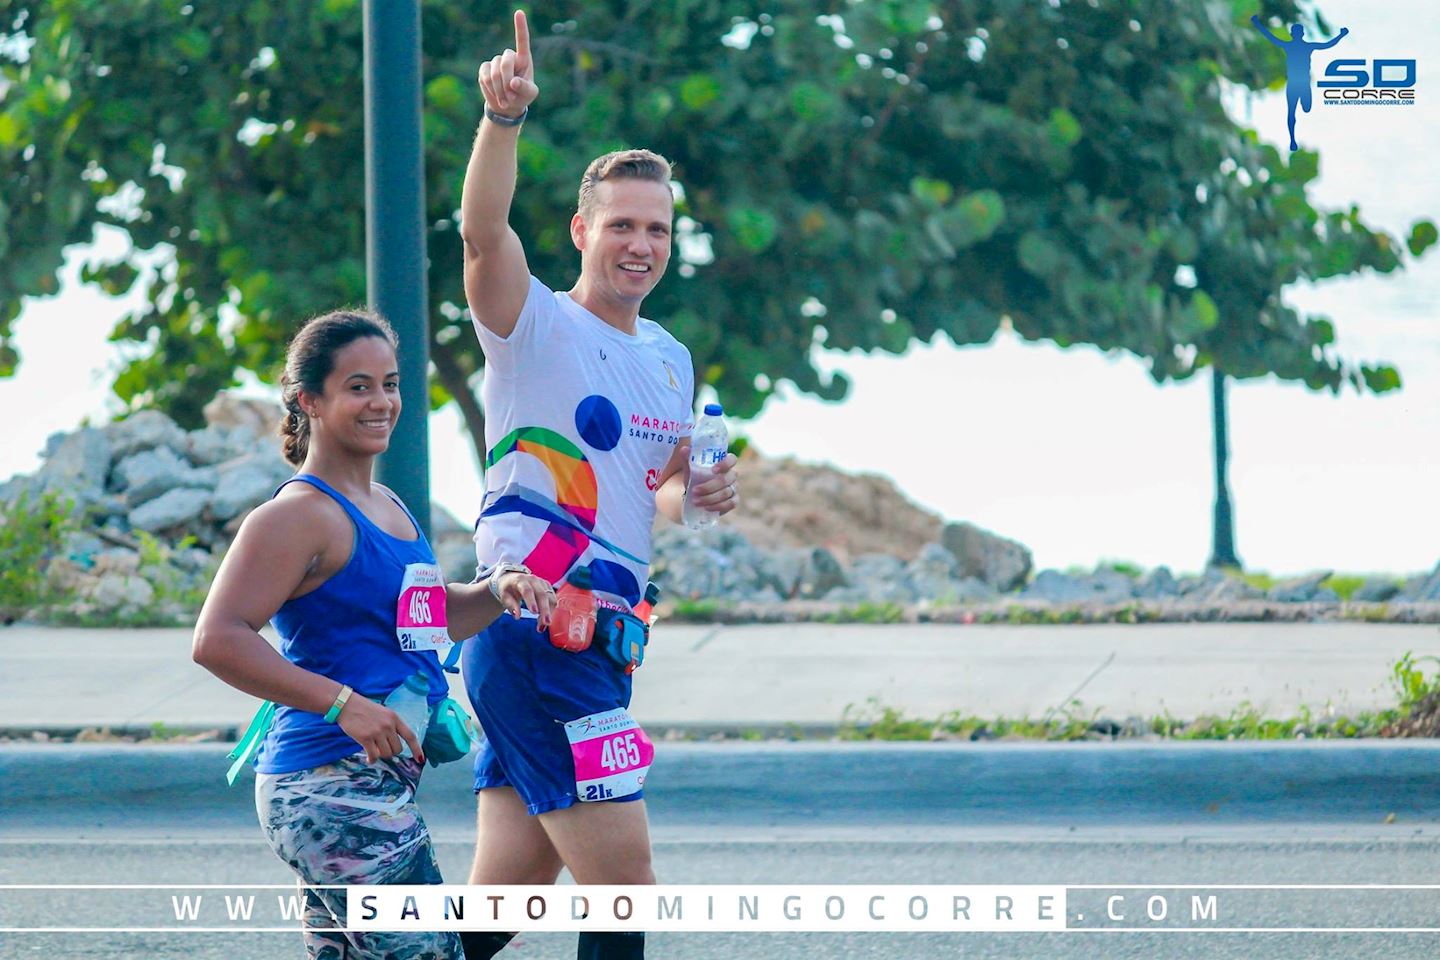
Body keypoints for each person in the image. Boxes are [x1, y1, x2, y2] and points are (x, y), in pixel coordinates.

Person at [455, 10, 740, 959]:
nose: (641, 244)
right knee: (625, 890)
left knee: (504, 907)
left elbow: (653, 488)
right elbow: (482, 229)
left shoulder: (670, 359)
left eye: (657, 229)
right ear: (582, 230)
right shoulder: (530, 323)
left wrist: (694, 493)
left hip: (605, 644)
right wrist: (504, 121)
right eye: (621, 224)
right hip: (537, 634)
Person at [193, 309, 555, 960]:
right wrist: (343, 703)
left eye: (390, 384)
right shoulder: (296, 516)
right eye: (358, 386)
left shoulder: (388, 506)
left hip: (369, 785)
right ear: (309, 400)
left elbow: (426, 619)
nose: (382, 401)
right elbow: (218, 638)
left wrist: (499, 592)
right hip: (327, 784)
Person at [1250, 16, 1349, 151]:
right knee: (1291, 112)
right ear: (1294, 34)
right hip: (1294, 83)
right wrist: (1257, 24)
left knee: (1306, 108)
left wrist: (1341, 36)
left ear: (1300, 34)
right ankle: (1292, 140)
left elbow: (1327, 45)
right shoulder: (1290, 46)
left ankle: (1295, 131)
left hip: (1302, 83)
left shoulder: (1305, 46)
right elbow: (1270, 37)